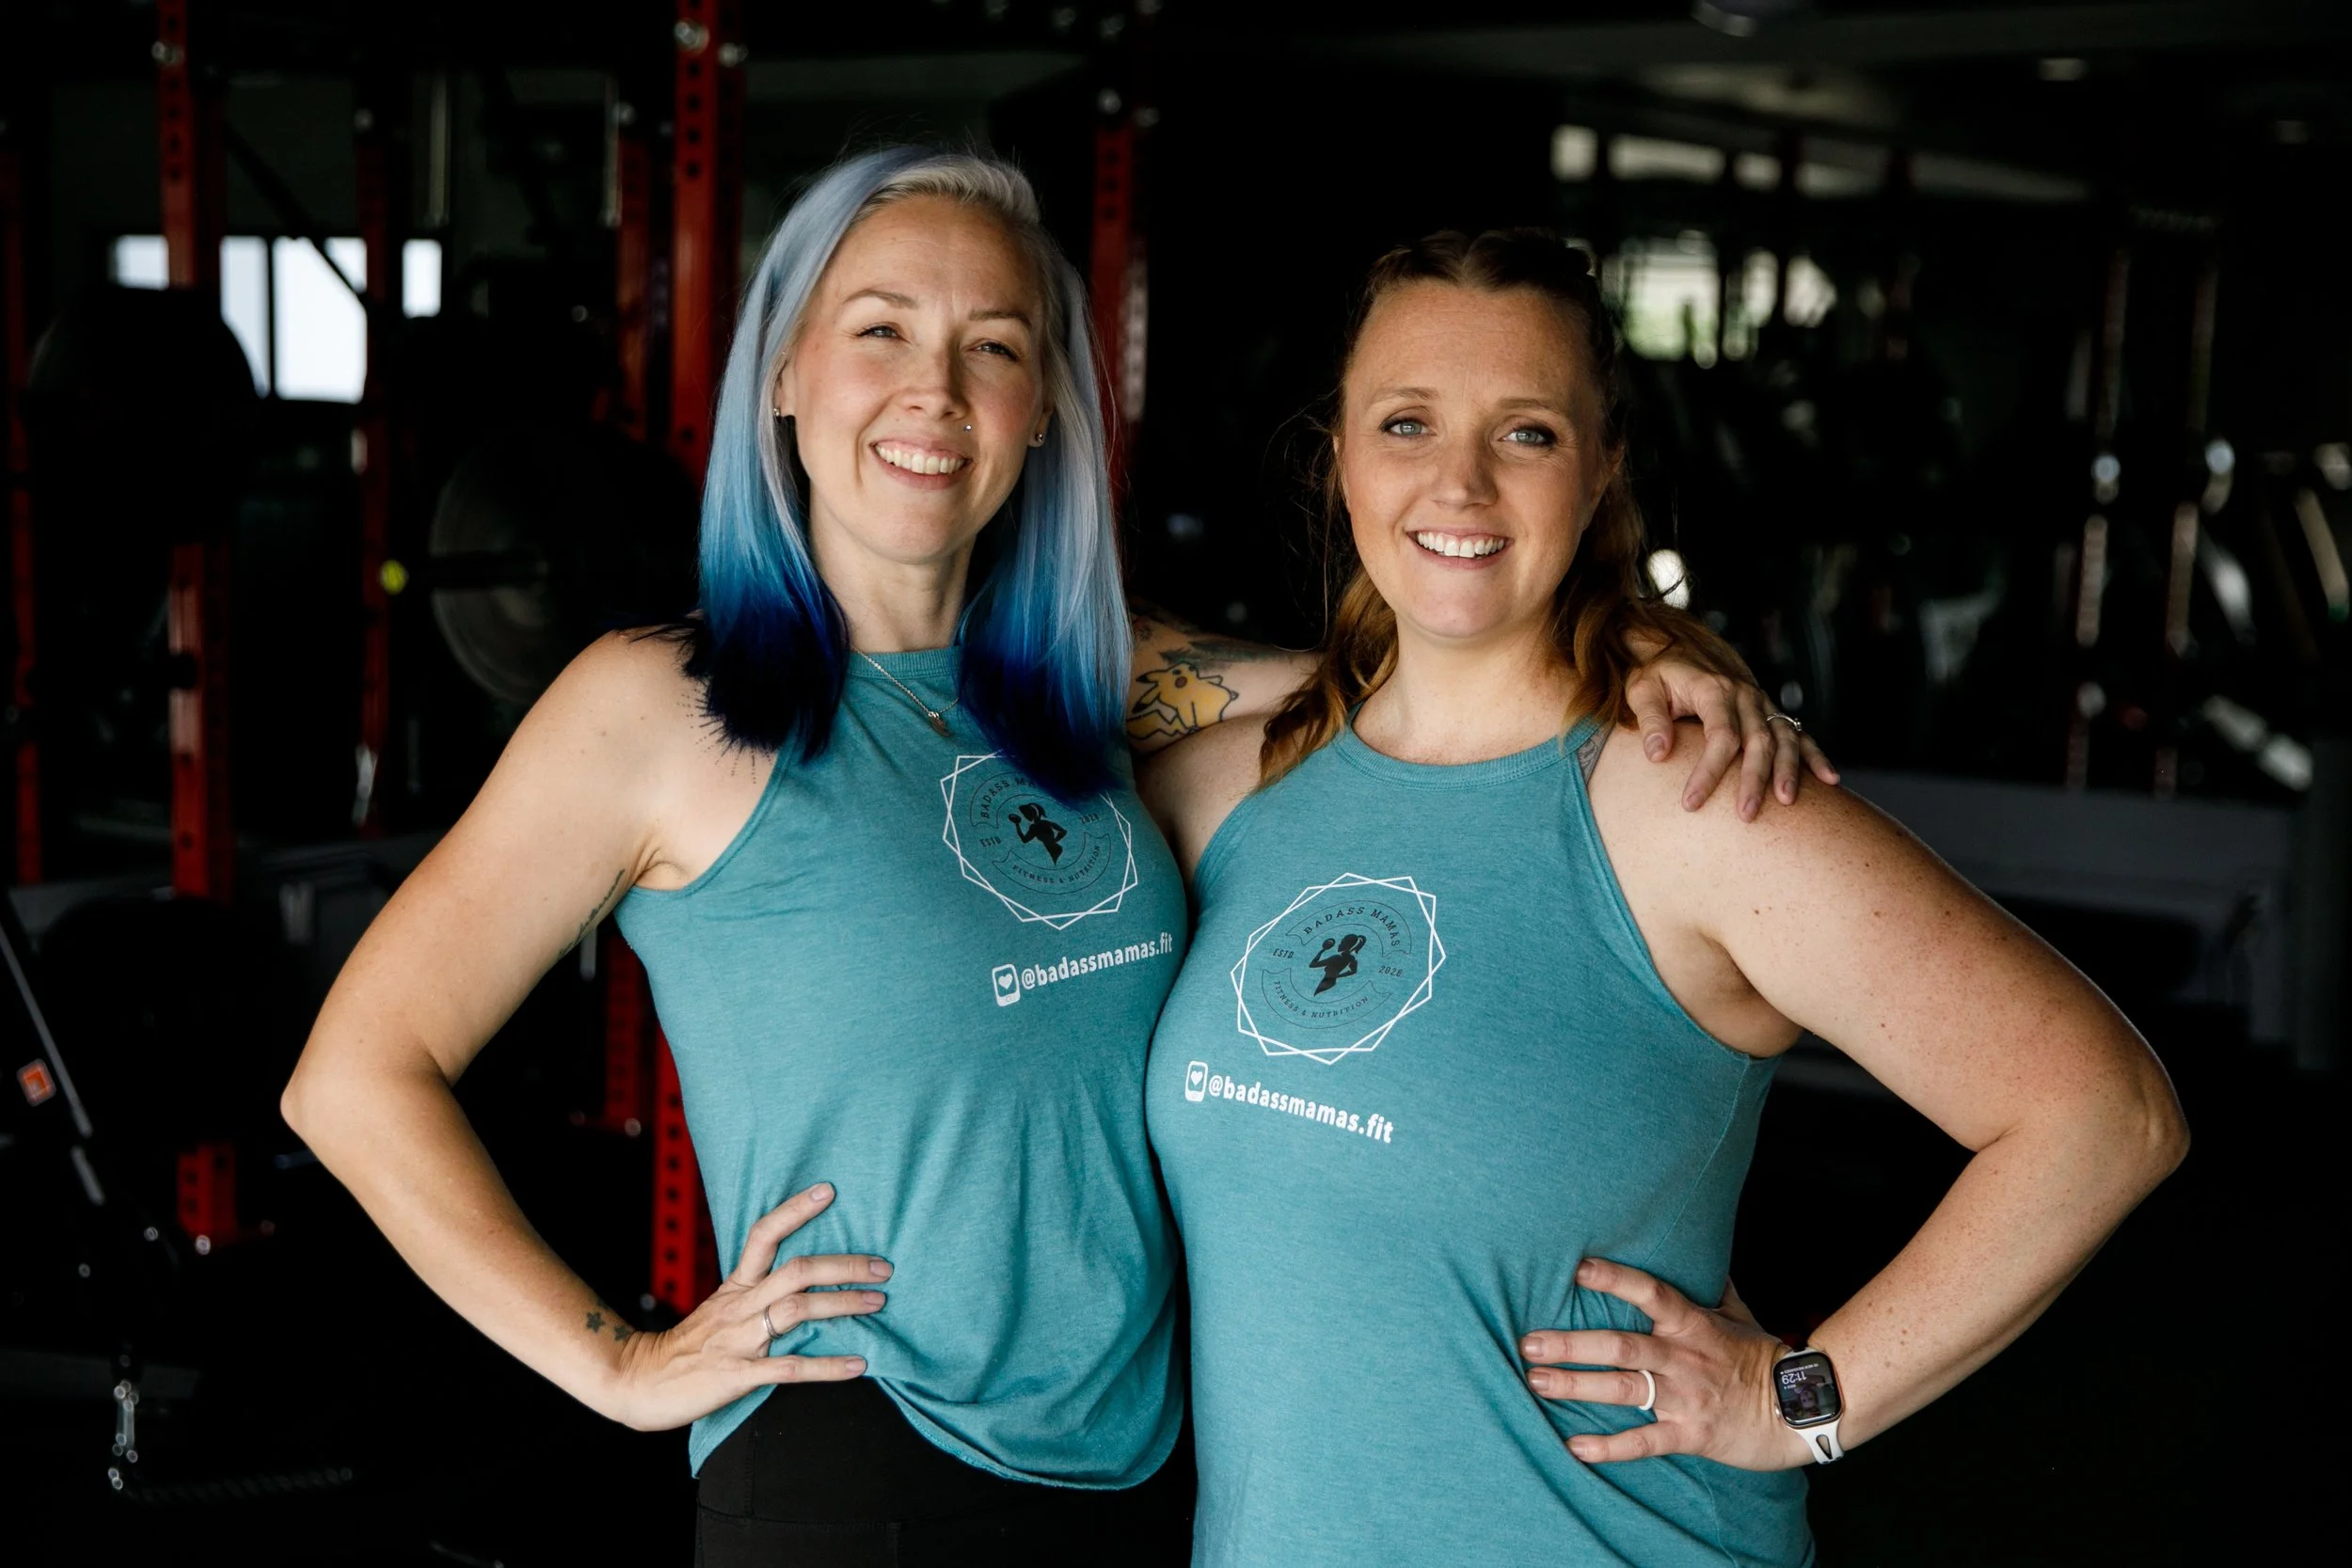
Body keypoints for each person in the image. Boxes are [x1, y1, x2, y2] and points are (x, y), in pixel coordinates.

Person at [278, 149, 1813, 1565]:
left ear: (1044, 410)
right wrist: (618, 1363)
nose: (936, 391)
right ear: (786, 375)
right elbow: (355, 1075)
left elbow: (1427, 683)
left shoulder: (1082, 687)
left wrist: (1648, 648)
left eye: (994, 348)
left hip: (1137, 1469)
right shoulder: (661, 710)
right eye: (881, 330)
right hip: (870, 1463)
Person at [1139, 229, 2188, 1566]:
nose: (1458, 481)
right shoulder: (1223, 791)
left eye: (1526, 433)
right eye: (1406, 423)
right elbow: (988, 648)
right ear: (1336, 453)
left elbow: (2105, 1113)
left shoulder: (1701, 802)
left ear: (1602, 468)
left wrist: (1797, 1400)